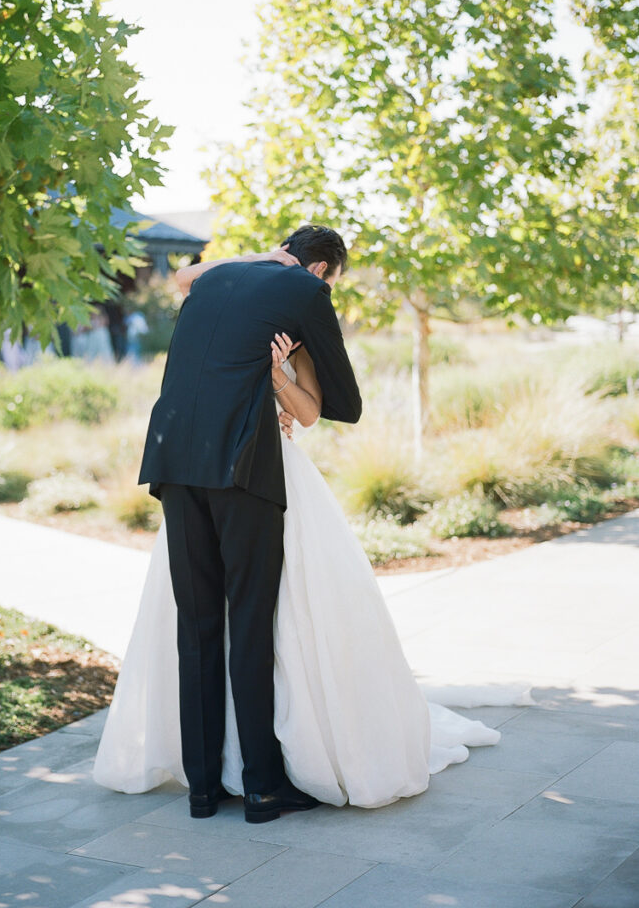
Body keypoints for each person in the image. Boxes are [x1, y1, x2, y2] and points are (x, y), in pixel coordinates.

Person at [93, 227, 534, 820]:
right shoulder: (304, 291)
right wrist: (279, 359)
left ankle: (202, 788)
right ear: (321, 269)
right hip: (242, 470)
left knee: (196, 628)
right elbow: (342, 404)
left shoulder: (215, 280)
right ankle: (261, 787)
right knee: (250, 624)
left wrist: (273, 371)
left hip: (174, 461)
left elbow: (184, 279)